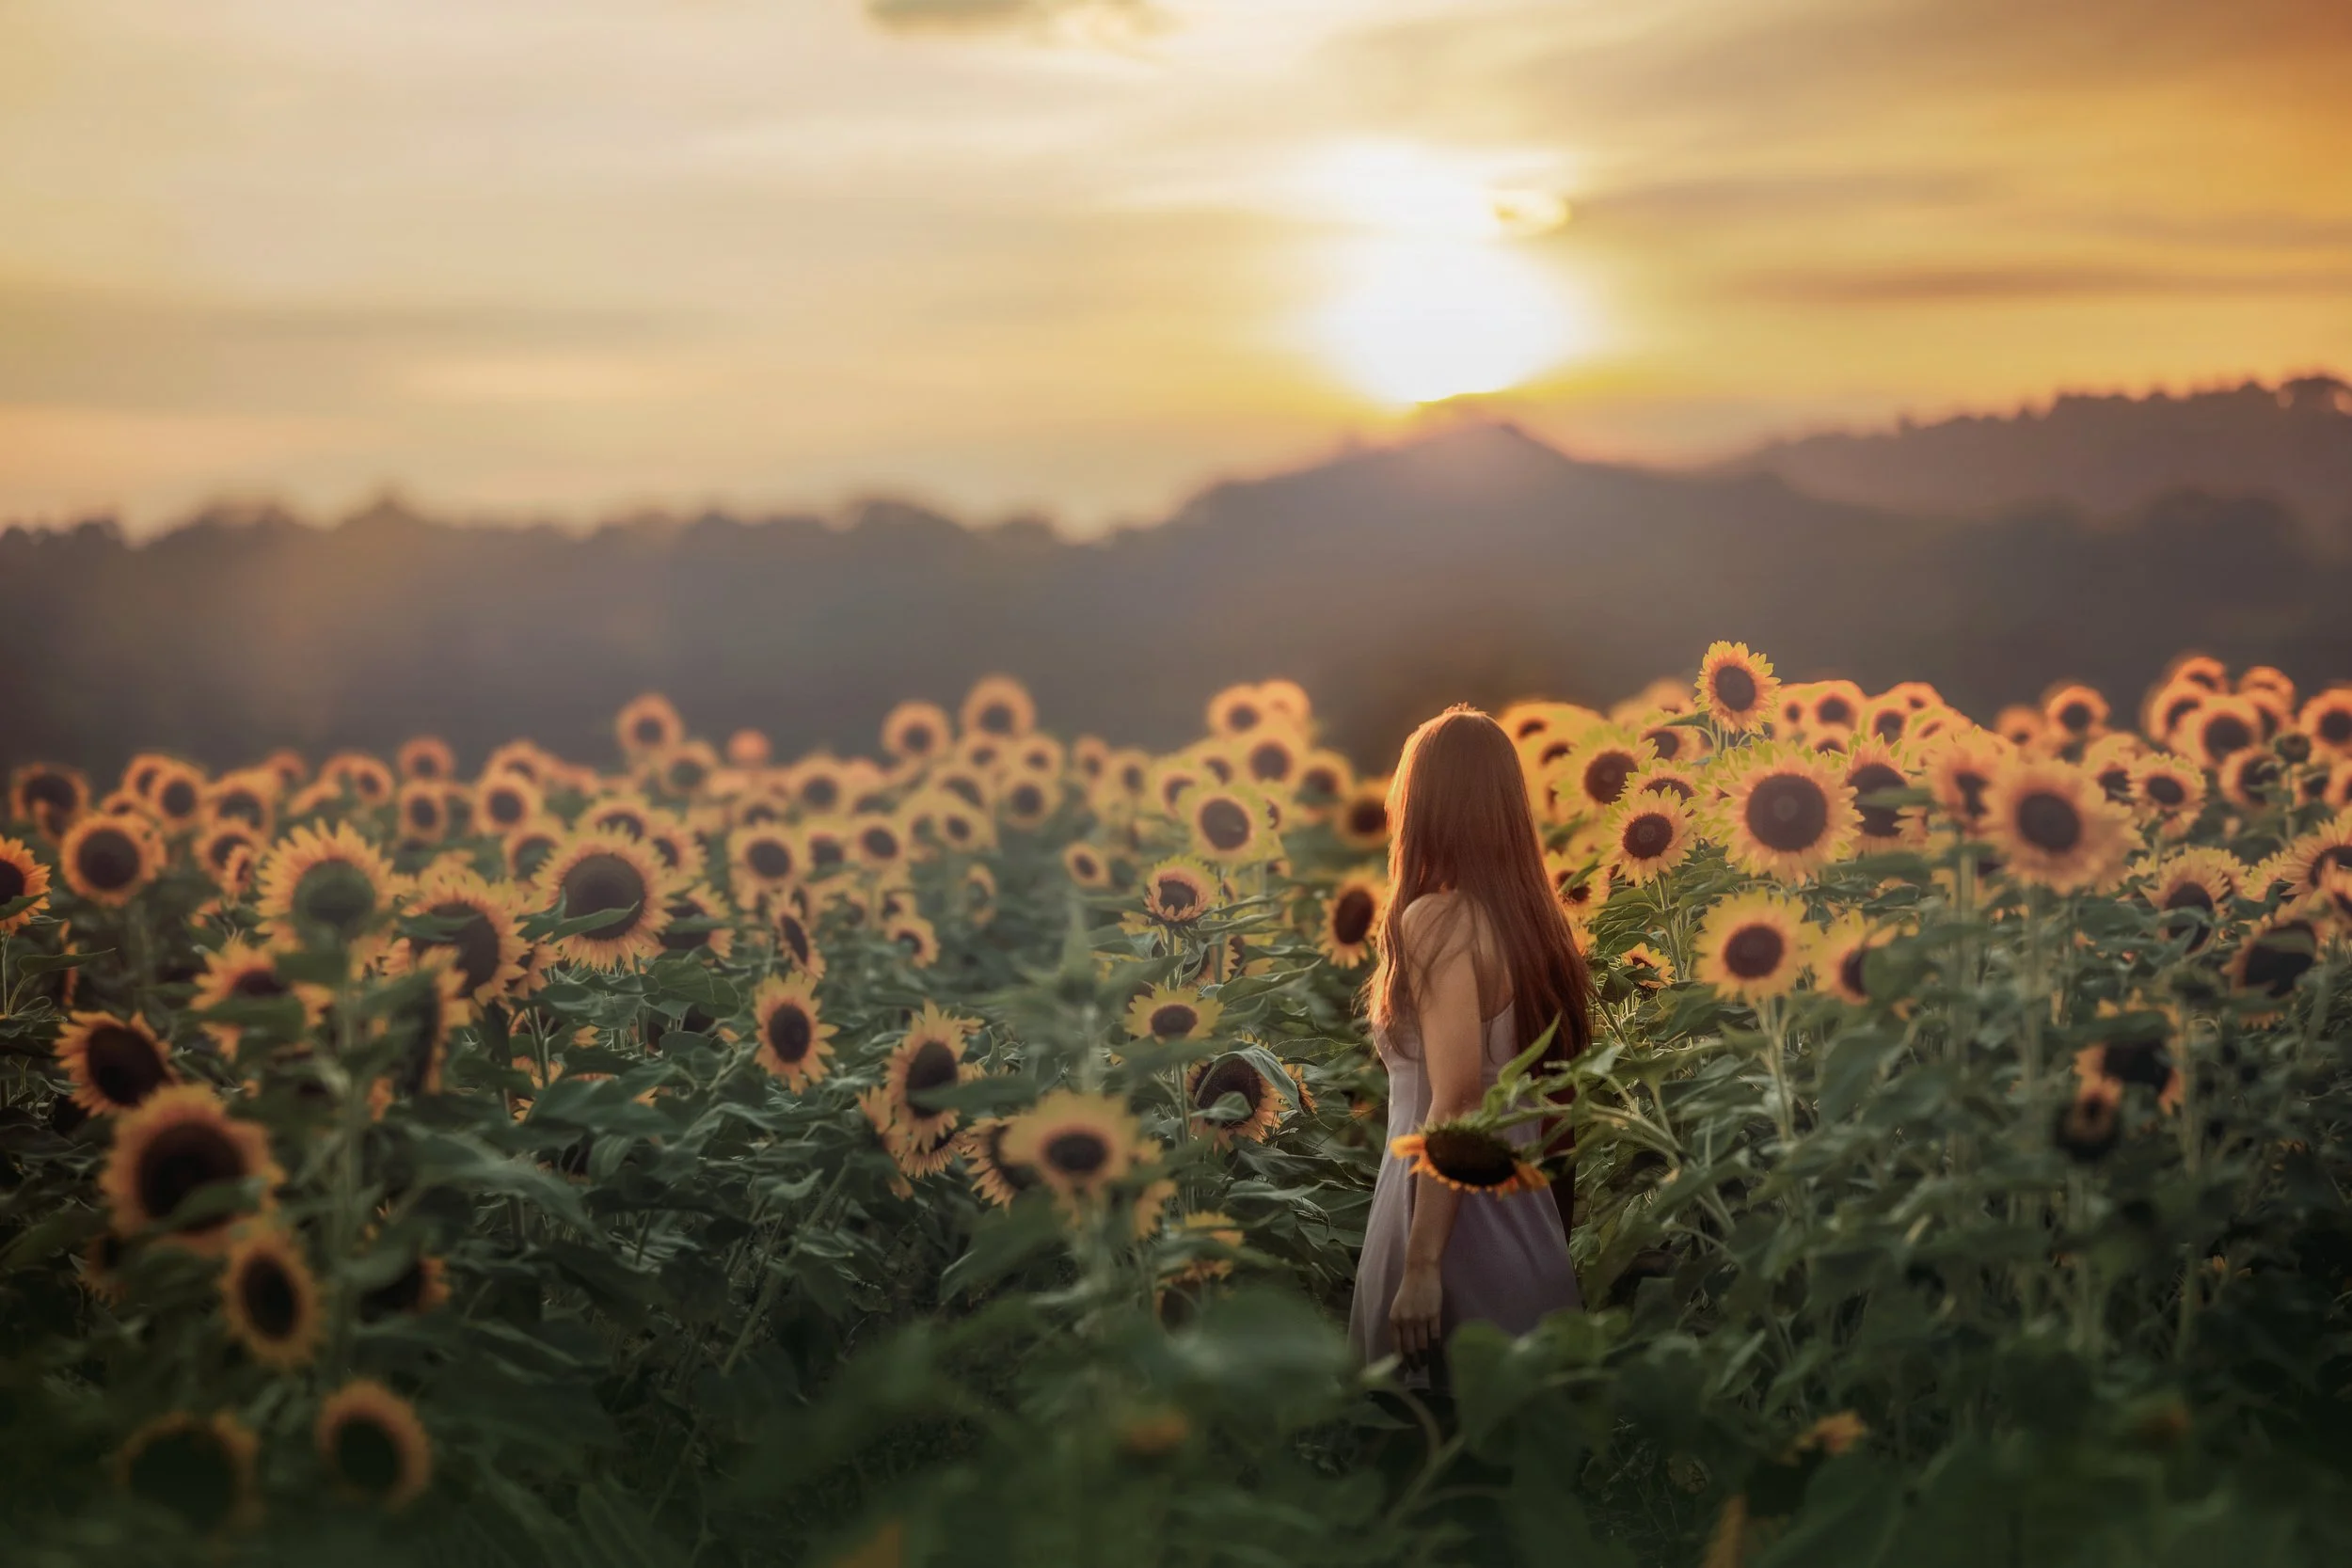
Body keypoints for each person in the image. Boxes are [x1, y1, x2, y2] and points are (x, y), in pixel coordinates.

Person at [1347, 705, 1590, 1382]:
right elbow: (1562, 1117)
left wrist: (1422, 1265)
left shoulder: (1438, 921)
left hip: (1443, 1240)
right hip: (1528, 1233)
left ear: (1423, 804)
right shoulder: (1538, 932)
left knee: (1420, 1463)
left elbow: (1455, 1093)